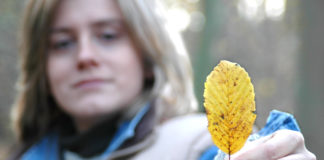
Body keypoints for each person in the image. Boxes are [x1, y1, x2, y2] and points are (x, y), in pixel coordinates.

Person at [6, 0, 316, 159]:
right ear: (42, 69)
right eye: (62, 43)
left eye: (108, 35)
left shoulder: (200, 145)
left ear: (148, 57)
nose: (85, 56)